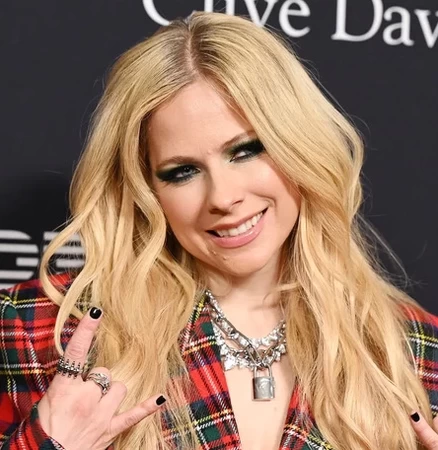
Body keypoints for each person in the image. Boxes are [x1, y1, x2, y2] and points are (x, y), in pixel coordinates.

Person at [0, 10, 437, 450]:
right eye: (182, 171)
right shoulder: (39, 330)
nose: (223, 197)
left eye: (246, 151)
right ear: (146, 188)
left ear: (300, 145)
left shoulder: (411, 350)